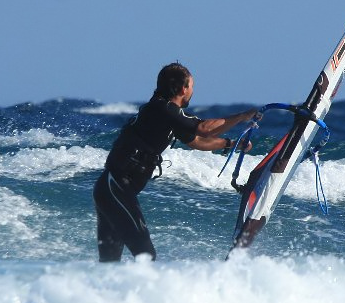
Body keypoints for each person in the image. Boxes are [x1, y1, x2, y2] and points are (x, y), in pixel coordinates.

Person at [92, 62, 257, 262]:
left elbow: (196, 141)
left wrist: (231, 144)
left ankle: (103, 292)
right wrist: (242, 116)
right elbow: (204, 129)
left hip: (112, 189)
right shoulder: (163, 109)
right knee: (145, 255)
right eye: (192, 87)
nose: (192, 92)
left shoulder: (165, 114)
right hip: (115, 187)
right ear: (182, 88)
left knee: (110, 261)